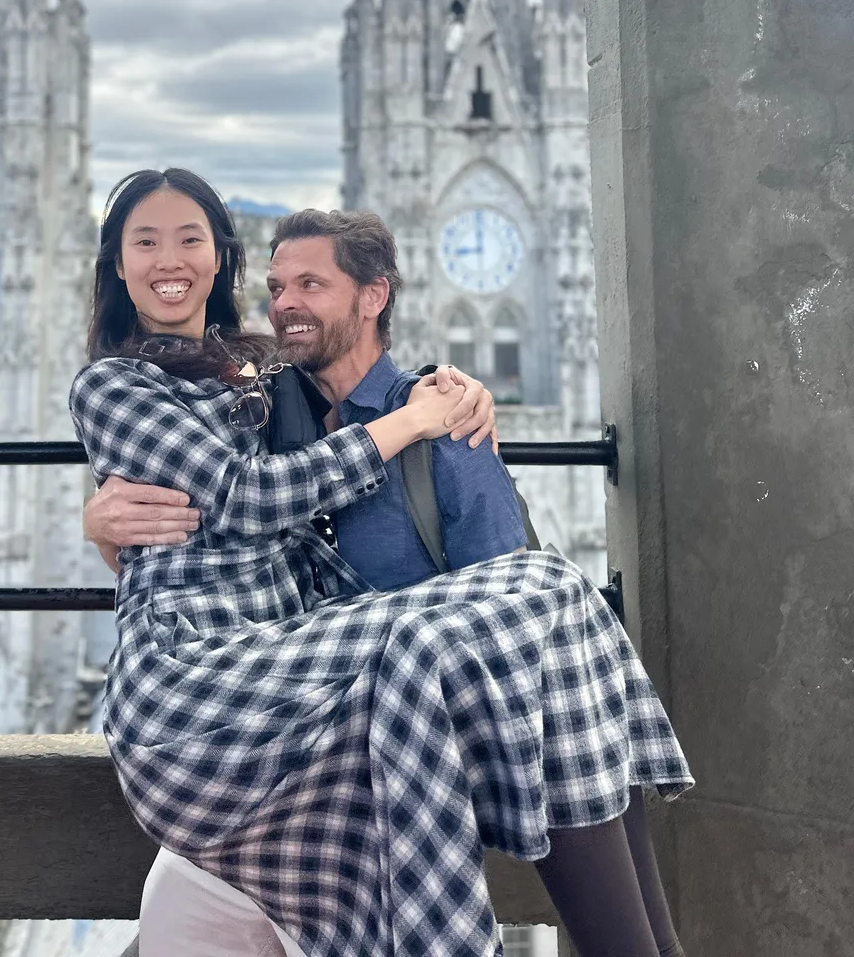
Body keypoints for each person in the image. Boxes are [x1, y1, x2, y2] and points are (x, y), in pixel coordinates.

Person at [70, 169, 693, 957]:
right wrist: (98, 521)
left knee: (557, 589)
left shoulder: (258, 377)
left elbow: (336, 378)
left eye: (190, 238)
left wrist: (452, 398)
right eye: (145, 241)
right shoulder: (118, 384)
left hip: (305, 683)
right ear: (116, 265)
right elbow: (241, 496)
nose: (170, 258)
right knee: (467, 627)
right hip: (203, 689)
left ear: (217, 259)